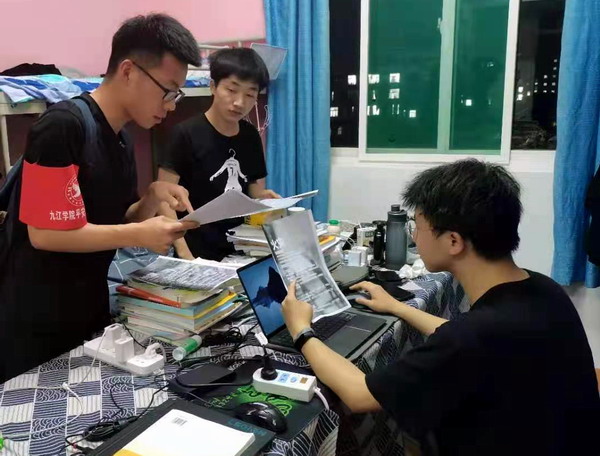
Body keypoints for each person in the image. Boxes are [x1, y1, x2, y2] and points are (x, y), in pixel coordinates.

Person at [282, 159, 600, 456]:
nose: (414, 236)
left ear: (453, 241)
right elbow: (469, 337)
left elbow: (358, 394)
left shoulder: (471, 338)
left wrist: (301, 330)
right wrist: (397, 307)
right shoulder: (542, 289)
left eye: (417, 226)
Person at [0, 14, 201, 382]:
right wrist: (138, 235)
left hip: (87, 308)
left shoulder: (121, 137)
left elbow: (117, 219)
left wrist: (151, 197)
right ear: (129, 71)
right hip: (36, 317)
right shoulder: (62, 126)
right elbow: (45, 234)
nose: (171, 105)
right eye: (168, 90)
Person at [157, 47, 279, 261]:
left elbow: (252, 188)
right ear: (213, 86)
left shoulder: (250, 135)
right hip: (195, 249)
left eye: (249, 94)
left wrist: (264, 198)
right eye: (231, 90)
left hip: (239, 247)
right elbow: (163, 200)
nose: (239, 102)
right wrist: (184, 254)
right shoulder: (184, 134)